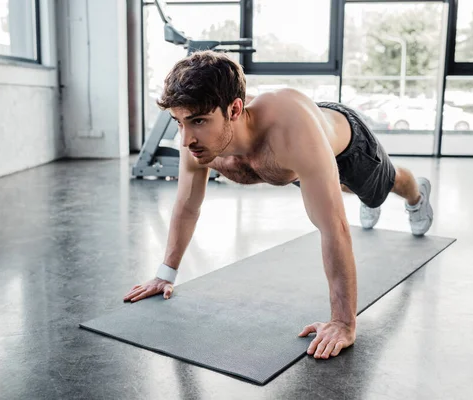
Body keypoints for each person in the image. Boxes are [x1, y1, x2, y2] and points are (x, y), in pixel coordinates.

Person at [123, 50, 433, 360]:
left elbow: (333, 228)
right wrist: (165, 274)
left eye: (199, 121)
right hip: (296, 161)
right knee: (337, 189)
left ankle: (417, 193)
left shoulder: (290, 133)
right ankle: (356, 191)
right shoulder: (197, 142)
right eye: (179, 122)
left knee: (382, 187)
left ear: (234, 109)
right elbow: (187, 204)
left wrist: (342, 322)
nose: (186, 139)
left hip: (347, 146)